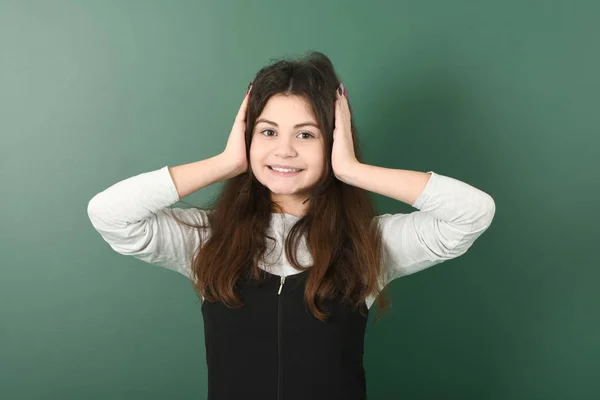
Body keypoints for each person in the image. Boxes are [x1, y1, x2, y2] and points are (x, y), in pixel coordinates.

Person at [87, 51, 496, 400]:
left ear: (335, 141)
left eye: (306, 134)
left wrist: (352, 170)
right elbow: (110, 214)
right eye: (268, 131)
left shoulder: (369, 243)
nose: (284, 149)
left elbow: (472, 213)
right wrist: (225, 163)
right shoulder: (208, 240)